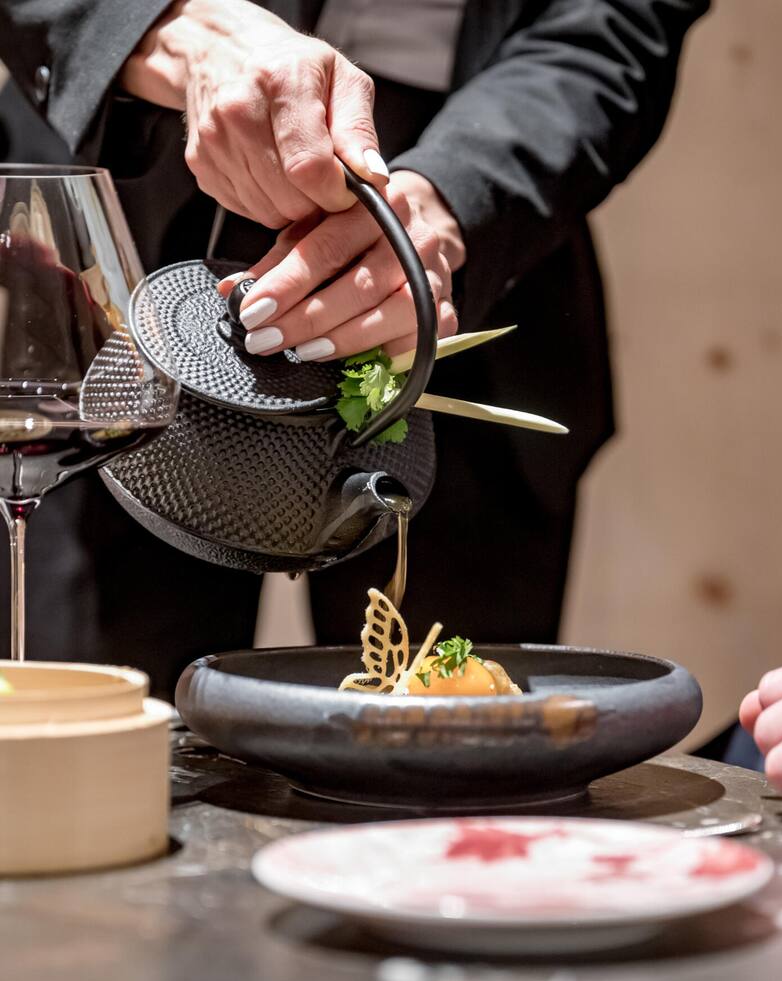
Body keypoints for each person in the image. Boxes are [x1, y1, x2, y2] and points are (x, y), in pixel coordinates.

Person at [0, 0, 710, 694]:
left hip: (456, 234)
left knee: (433, 759)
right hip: (113, 209)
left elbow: (615, 18)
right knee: (85, 750)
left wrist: (453, 199)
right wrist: (177, 30)